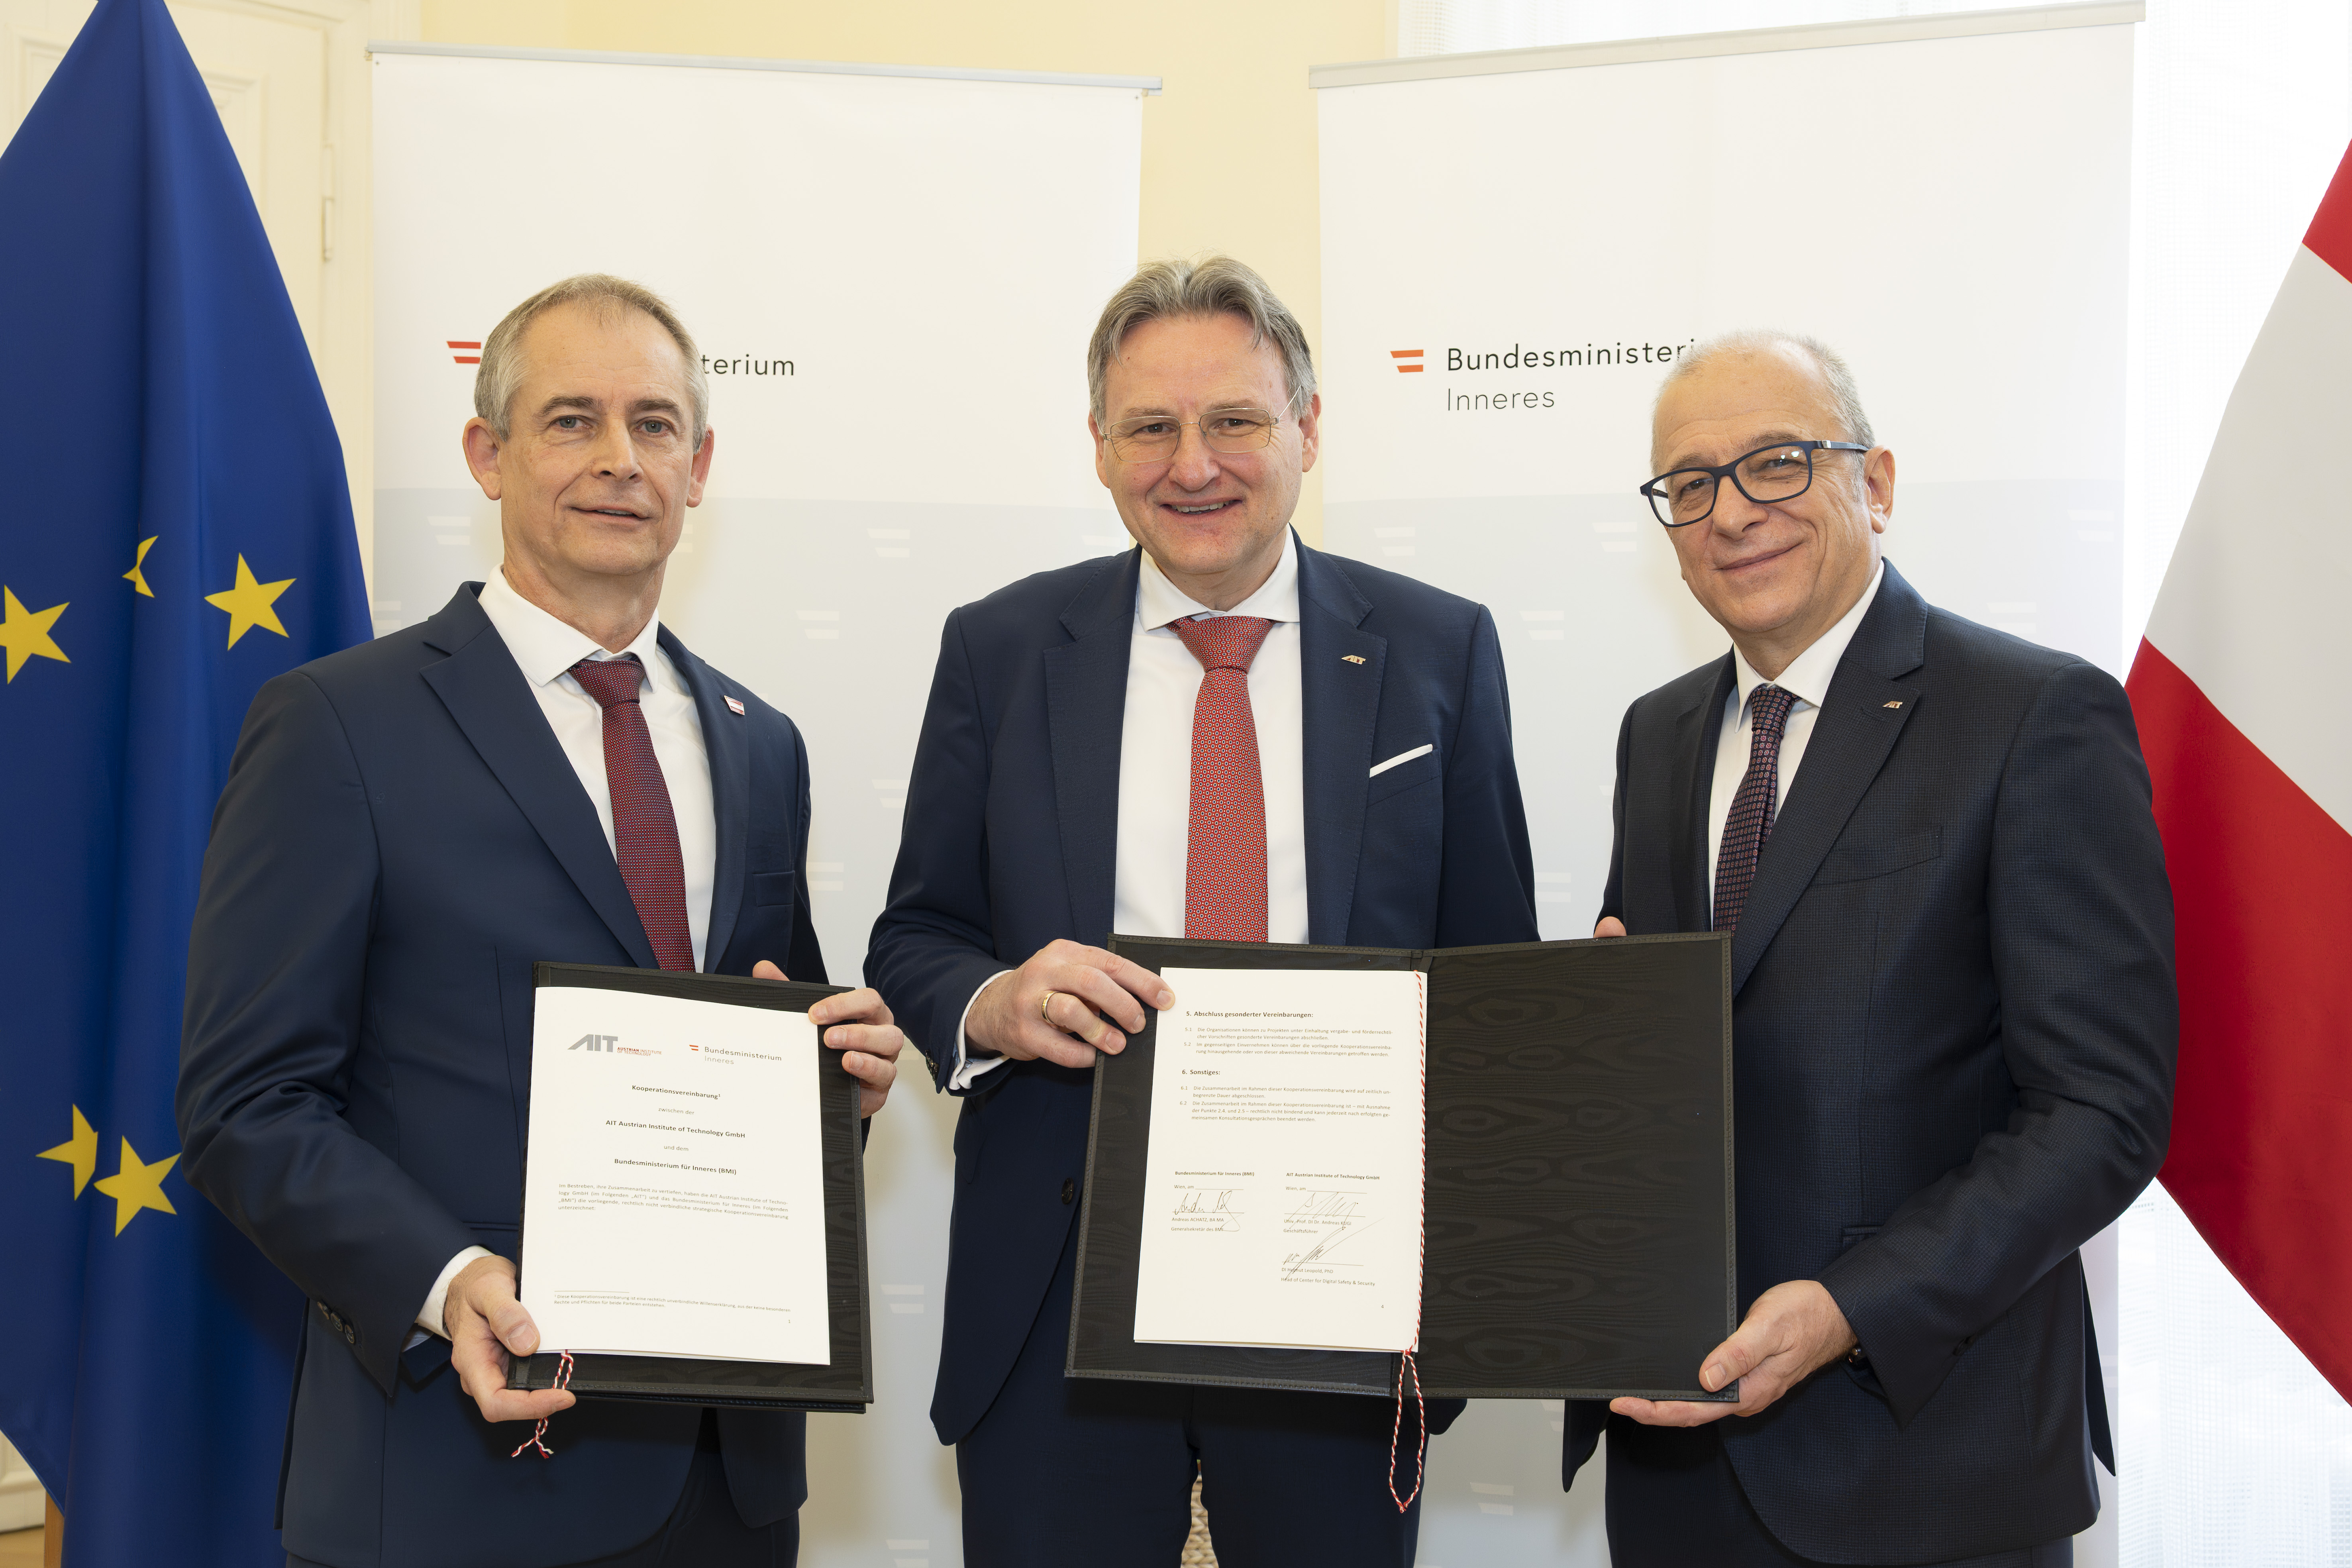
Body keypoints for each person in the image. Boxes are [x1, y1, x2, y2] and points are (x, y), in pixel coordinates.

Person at [176, 274, 903, 1568]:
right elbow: (247, 1103)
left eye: (656, 425)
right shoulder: (339, 727)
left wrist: (834, 1085)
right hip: (458, 1471)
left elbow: (765, 1030)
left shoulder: (762, 743)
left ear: (699, 468)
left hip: (726, 1487)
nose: (620, 458)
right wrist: (446, 1280)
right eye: (572, 420)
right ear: (488, 454)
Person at [863, 254, 1539, 1567]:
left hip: (1337, 1285)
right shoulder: (1001, 649)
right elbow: (916, 935)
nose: (1194, 466)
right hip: (1057, 1289)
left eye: (1234, 420)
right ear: (1099, 446)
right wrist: (993, 1003)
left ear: (1308, 430)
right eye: (1150, 428)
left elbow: (1489, 978)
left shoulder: (1438, 649)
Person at [1570, 329, 2176, 1565]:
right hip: (1677, 1464)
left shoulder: (2035, 716)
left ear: (1877, 483)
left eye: (1776, 463)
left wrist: (1852, 1309)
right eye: (1690, 484)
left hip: (1928, 1462)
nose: (1731, 512)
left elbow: (2102, 1110)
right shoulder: (1657, 735)